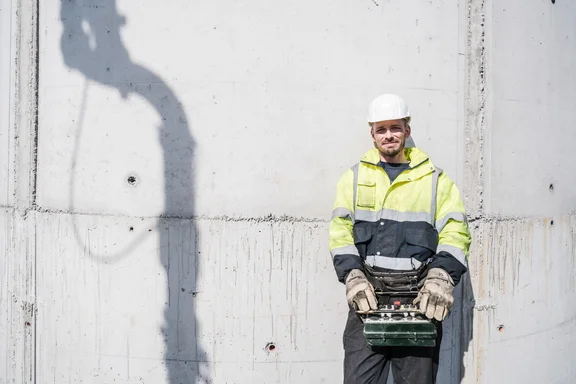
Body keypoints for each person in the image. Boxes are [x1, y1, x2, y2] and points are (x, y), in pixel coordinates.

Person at [328, 94, 472, 384]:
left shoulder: (435, 180)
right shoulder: (354, 178)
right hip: (367, 300)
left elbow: (455, 231)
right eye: (381, 129)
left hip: (420, 301)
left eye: (395, 127)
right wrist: (353, 275)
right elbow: (340, 230)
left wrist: (442, 276)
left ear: (407, 130)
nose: (389, 135)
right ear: (372, 134)